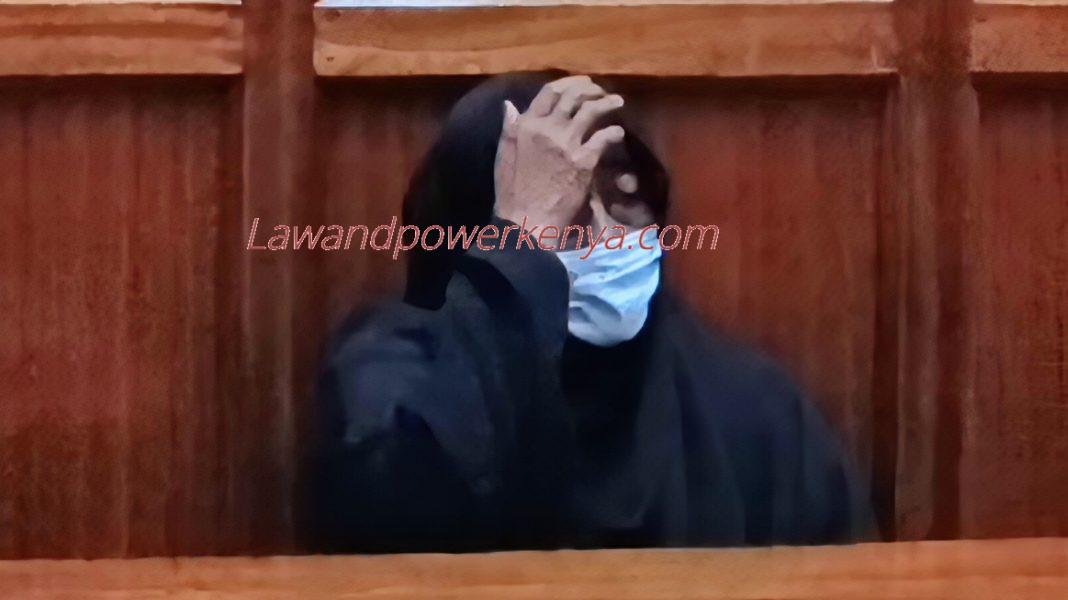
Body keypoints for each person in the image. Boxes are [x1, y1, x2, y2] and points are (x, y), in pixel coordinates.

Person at [309, 73, 874, 553]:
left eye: (624, 197)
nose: (607, 234)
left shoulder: (752, 412)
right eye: (570, 209)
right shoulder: (393, 372)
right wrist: (525, 242)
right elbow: (390, 508)